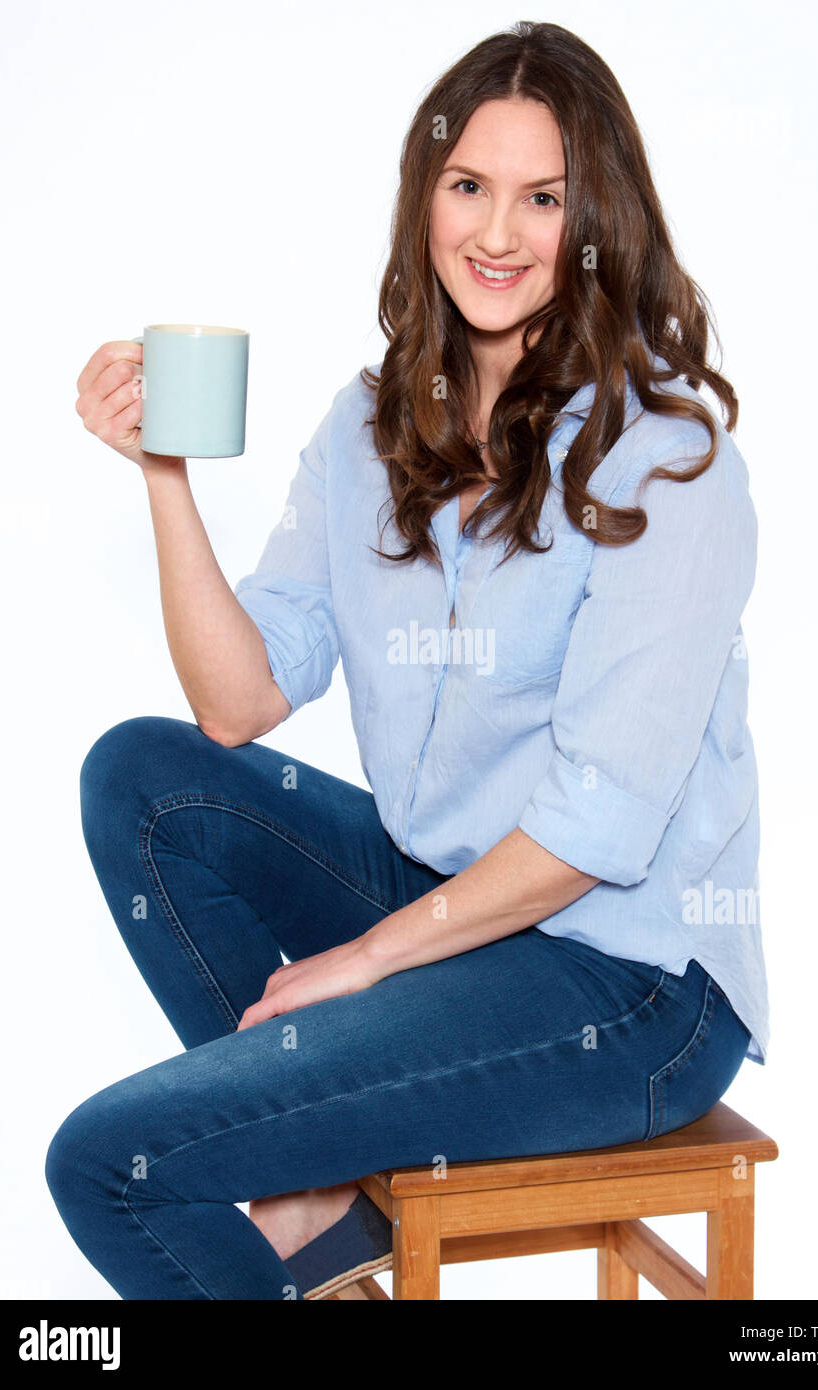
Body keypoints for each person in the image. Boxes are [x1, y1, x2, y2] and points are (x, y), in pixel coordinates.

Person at [46, 20, 768, 1301]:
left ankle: (320, 1162)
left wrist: (362, 963)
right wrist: (164, 474)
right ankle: (326, 1183)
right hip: (444, 895)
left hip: (626, 978)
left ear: (597, 216)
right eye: (468, 186)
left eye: (543, 197)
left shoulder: (667, 460)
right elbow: (239, 698)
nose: (498, 234)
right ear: (424, 201)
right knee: (143, 779)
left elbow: (596, 829)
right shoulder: (373, 424)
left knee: (116, 1162)